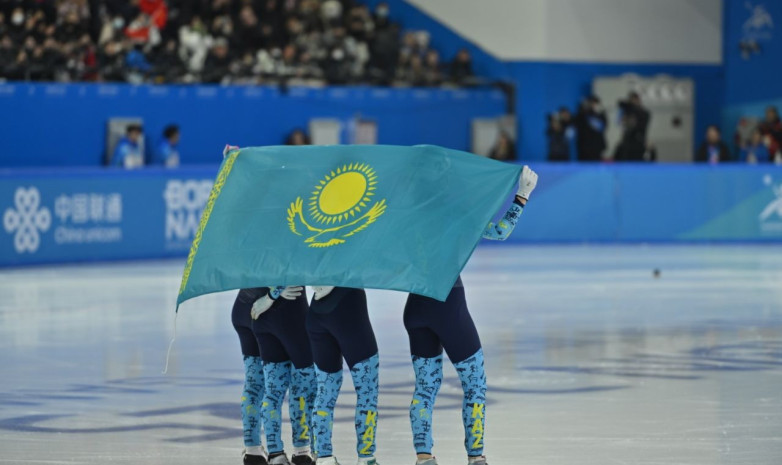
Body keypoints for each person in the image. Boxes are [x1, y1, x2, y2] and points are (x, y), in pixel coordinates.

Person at [404, 166, 537, 465]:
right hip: (447, 305)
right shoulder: (457, 218)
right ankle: (476, 457)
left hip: (415, 308)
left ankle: (424, 457)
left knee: (425, 388)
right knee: (474, 383)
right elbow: (500, 232)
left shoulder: (406, 221)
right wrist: (522, 196)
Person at [305, 286, 380, 465]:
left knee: (325, 391)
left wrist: (272, 295)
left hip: (317, 310)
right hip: (348, 307)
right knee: (367, 392)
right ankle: (366, 457)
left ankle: (324, 457)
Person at [250, 286, 317, 465]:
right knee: (304, 388)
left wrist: (269, 295)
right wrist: (276, 292)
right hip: (293, 319)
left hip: (262, 315)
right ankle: (302, 451)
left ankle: (275, 454)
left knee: (273, 391)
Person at [231, 288, 269, 465]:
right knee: (299, 382)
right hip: (269, 311)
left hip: (242, 306)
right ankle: (303, 451)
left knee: (254, 383)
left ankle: (252, 449)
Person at [613, 92, 651, 162]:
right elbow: (620, 103)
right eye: (631, 100)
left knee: (637, 162)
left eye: (634, 100)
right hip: (627, 141)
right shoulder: (627, 111)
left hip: (638, 141)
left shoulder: (644, 113)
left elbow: (641, 126)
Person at [574, 96, 607, 162]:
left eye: (595, 103)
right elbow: (577, 124)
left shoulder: (600, 114)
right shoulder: (582, 114)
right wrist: (583, 111)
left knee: (596, 167)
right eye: (591, 103)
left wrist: (599, 114)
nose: (593, 105)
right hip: (584, 146)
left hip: (596, 146)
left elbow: (603, 127)